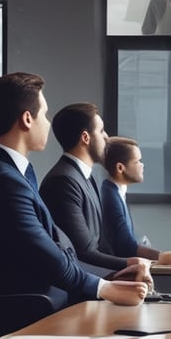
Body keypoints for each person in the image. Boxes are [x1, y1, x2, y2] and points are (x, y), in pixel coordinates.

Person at [0, 73, 149, 309]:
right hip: (33, 310)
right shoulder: (4, 181)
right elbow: (48, 258)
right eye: (45, 114)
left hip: (48, 300)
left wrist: (112, 277)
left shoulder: (12, 173)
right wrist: (106, 288)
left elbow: (62, 249)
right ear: (27, 119)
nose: (48, 123)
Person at [40, 103, 132, 272]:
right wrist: (133, 264)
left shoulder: (84, 177)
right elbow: (83, 252)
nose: (107, 137)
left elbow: (100, 245)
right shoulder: (63, 182)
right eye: (101, 130)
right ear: (85, 137)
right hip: (80, 290)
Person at [101, 136, 171, 264]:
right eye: (137, 161)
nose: (142, 165)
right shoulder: (110, 196)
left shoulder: (116, 192)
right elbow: (126, 247)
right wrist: (162, 256)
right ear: (120, 168)